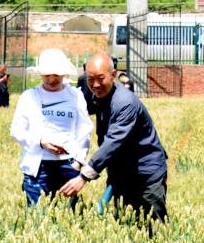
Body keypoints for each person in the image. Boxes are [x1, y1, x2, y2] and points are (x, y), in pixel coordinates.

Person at [59, 53, 169, 222]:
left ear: (114, 75)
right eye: (90, 79)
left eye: (100, 78)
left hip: (146, 173)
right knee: (126, 222)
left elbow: (113, 142)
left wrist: (83, 177)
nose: (95, 85)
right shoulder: (97, 96)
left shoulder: (125, 103)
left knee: (153, 225)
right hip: (121, 173)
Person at [10, 48, 92, 207]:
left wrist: (79, 161)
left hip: (68, 165)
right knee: (36, 217)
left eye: (56, 75)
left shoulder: (75, 96)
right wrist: (40, 142)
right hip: (37, 167)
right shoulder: (29, 96)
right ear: (40, 74)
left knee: (67, 216)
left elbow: (84, 130)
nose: (52, 79)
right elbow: (16, 130)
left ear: (64, 74)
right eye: (47, 75)